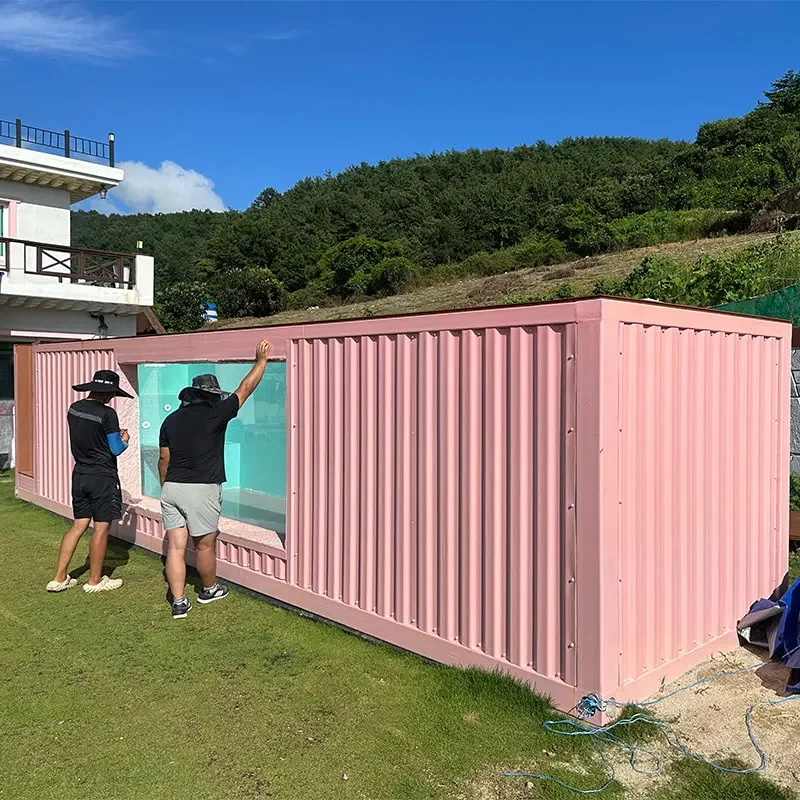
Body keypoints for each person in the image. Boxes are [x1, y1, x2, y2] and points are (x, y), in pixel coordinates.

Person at [158, 340, 270, 619]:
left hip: (172, 487)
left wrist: (165, 485)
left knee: (175, 546)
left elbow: (163, 459)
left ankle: (180, 602)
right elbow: (245, 389)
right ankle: (208, 590)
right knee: (204, 544)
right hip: (201, 490)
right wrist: (261, 362)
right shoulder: (216, 413)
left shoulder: (170, 421)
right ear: (211, 396)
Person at [47, 370, 132, 593]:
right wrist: (125, 440)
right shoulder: (108, 414)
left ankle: (59, 577)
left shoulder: (74, 408)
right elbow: (115, 448)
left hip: (80, 474)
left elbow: (89, 435)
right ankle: (94, 581)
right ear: (109, 393)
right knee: (101, 528)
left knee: (78, 525)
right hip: (102, 477)